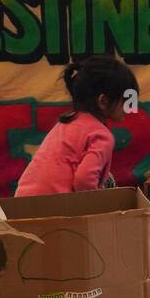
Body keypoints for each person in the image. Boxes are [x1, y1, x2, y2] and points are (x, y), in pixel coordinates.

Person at [16, 55, 138, 196]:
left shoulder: (66, 123)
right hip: (54, 205)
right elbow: (84, 182)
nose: (131, 107)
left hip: (23, 200)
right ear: (103, 101)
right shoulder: (102, 136)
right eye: (127, 100)